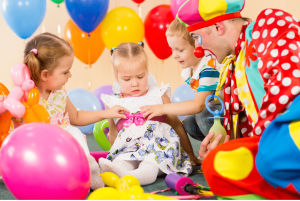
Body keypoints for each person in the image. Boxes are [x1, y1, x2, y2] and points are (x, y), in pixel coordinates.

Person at [176, 0, 300, 199]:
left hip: (293, 122)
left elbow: (291, 80)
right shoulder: (233, 68)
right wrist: (224, 146)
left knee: (269, 156)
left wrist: (265, 142)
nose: (198, 49)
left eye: (197, 38)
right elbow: (247, 133)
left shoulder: (269, 22)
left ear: (218, 27)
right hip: (275, 145)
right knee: (216, 163)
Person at [20, 32, 129, 190]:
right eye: (65, 72)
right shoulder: (23, 96)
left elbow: (76, 116)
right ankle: (82, 168)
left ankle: (88, 166)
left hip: (64, 145)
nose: (70, 75)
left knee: (74, 133)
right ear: (45, 75)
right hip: (40, 148)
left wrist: (107, 113)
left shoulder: (59, 93)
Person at [98, 41, 200, 186]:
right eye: (127, 79)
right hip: (129, 148)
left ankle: (129, 177)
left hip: (158, 148)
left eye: (140, 77)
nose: (135, 83)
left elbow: (176, 124)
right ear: (117, 77)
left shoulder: (159, 94)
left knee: (150, 167)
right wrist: (115, 157)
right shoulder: (113, 101)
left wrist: (189, 153)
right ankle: (119, 173)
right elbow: (113, 133)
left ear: (147, 71)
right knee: (122, 162)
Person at [140, 19, 224, 141]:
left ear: (198, 45)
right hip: (212, 109)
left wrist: (162, 108)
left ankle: (222, 146)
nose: (174, 55)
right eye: (172, 49)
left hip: (227, 112)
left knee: (203, 116)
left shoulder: (209, 67)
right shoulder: (191, 67)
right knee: (189, 123)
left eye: (180, 50)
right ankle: (210, 142)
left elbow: (199, 105)